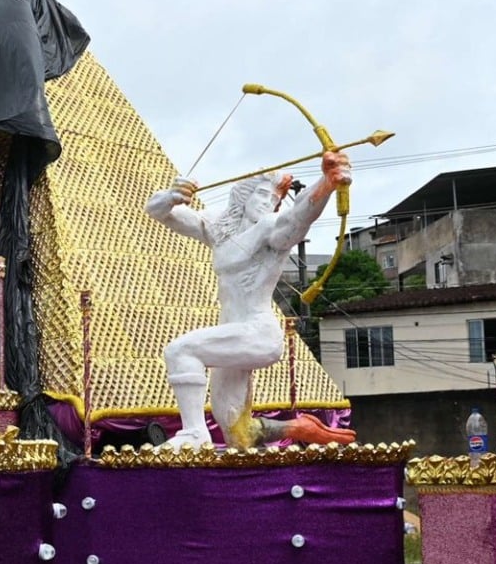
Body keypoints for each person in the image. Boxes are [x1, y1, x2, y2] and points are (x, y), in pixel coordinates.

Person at [144, 150, 359, 450]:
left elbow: (298, 219)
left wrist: (326, 183)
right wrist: (172, 195)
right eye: (264, 194)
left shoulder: (269, 229)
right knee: (236, 430)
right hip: (232, 332)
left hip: (257, 332)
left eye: (275, 198)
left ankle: (194, 432)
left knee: (180, 351)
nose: (269, 202)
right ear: (243, 196)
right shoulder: (220, 228)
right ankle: (299, 428)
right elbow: (158, 212)